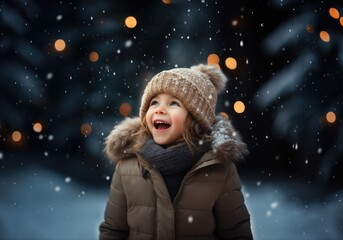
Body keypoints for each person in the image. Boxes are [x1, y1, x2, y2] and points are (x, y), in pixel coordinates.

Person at [99, 64, 253, 240]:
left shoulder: (218, 168)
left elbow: (236, 232)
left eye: (174, 103)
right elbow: (114, 230)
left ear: (196, 118)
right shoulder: (127, 167)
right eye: (154, 102)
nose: (159, 109)